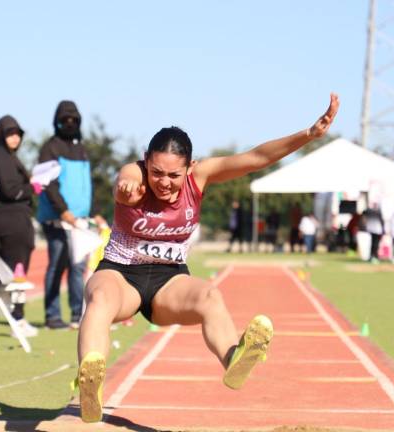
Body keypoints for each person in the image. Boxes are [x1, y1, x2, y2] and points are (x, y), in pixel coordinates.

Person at [74, 94, 339, 423]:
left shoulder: (199, 178)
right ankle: (90, 382)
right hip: (120, 273)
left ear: (190, 168)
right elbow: (125, 181)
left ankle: (234, 359)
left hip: (168, 280)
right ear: (146, 162)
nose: (165, 183)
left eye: (174, 175)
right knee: (100, 299)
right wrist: (126, 188)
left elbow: (255, 157)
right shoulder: (136, 174)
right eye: (157, 172)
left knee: (210, 296)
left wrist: (308, 135)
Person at [37, 100, 105, 330]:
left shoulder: (81, 149)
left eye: (73, 120)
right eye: (65, 120)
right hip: (57, 218)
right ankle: (52, 315)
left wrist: (95, 212)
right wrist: (63, 210)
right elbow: (48, 184)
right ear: (57, 121)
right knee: (57, 263)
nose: (69, 123)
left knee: (78, 266)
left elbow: (87, 186)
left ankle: (78, 313)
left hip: (81, 220)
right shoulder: (50, 148)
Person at [0, 115, 39, 348]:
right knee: (8, 273)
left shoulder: (6, 156)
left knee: (5, 273)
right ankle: (5, 319)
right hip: (10, 222)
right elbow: (9, 190)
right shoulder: (0, 156)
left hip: (10, 221)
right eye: (9, 134)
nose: (14, 138)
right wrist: (32, 187)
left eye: (17, 134)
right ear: (1, 135)